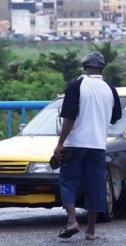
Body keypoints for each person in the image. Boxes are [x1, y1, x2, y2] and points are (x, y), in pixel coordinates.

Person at [53, 52, 121, 240]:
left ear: (84, 67)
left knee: (68, 182)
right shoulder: (110, 89)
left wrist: (60, 144)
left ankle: (72, 221)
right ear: (101, 68)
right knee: (96, 186)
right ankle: (90, 231)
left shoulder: (77, 86)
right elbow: (116, 117)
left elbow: (69, 117)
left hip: (75, 145)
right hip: (98, 146)